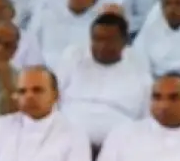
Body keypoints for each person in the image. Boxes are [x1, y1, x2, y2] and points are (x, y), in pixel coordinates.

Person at [53, 13, 150, 149]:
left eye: (110, 40)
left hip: (118, 147)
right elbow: (51, 98)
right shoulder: (74, 56)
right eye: (97, 39)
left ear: (125, 41)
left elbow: (146, 116)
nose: (102, 46)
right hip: (67, 140)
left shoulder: (138, 65)